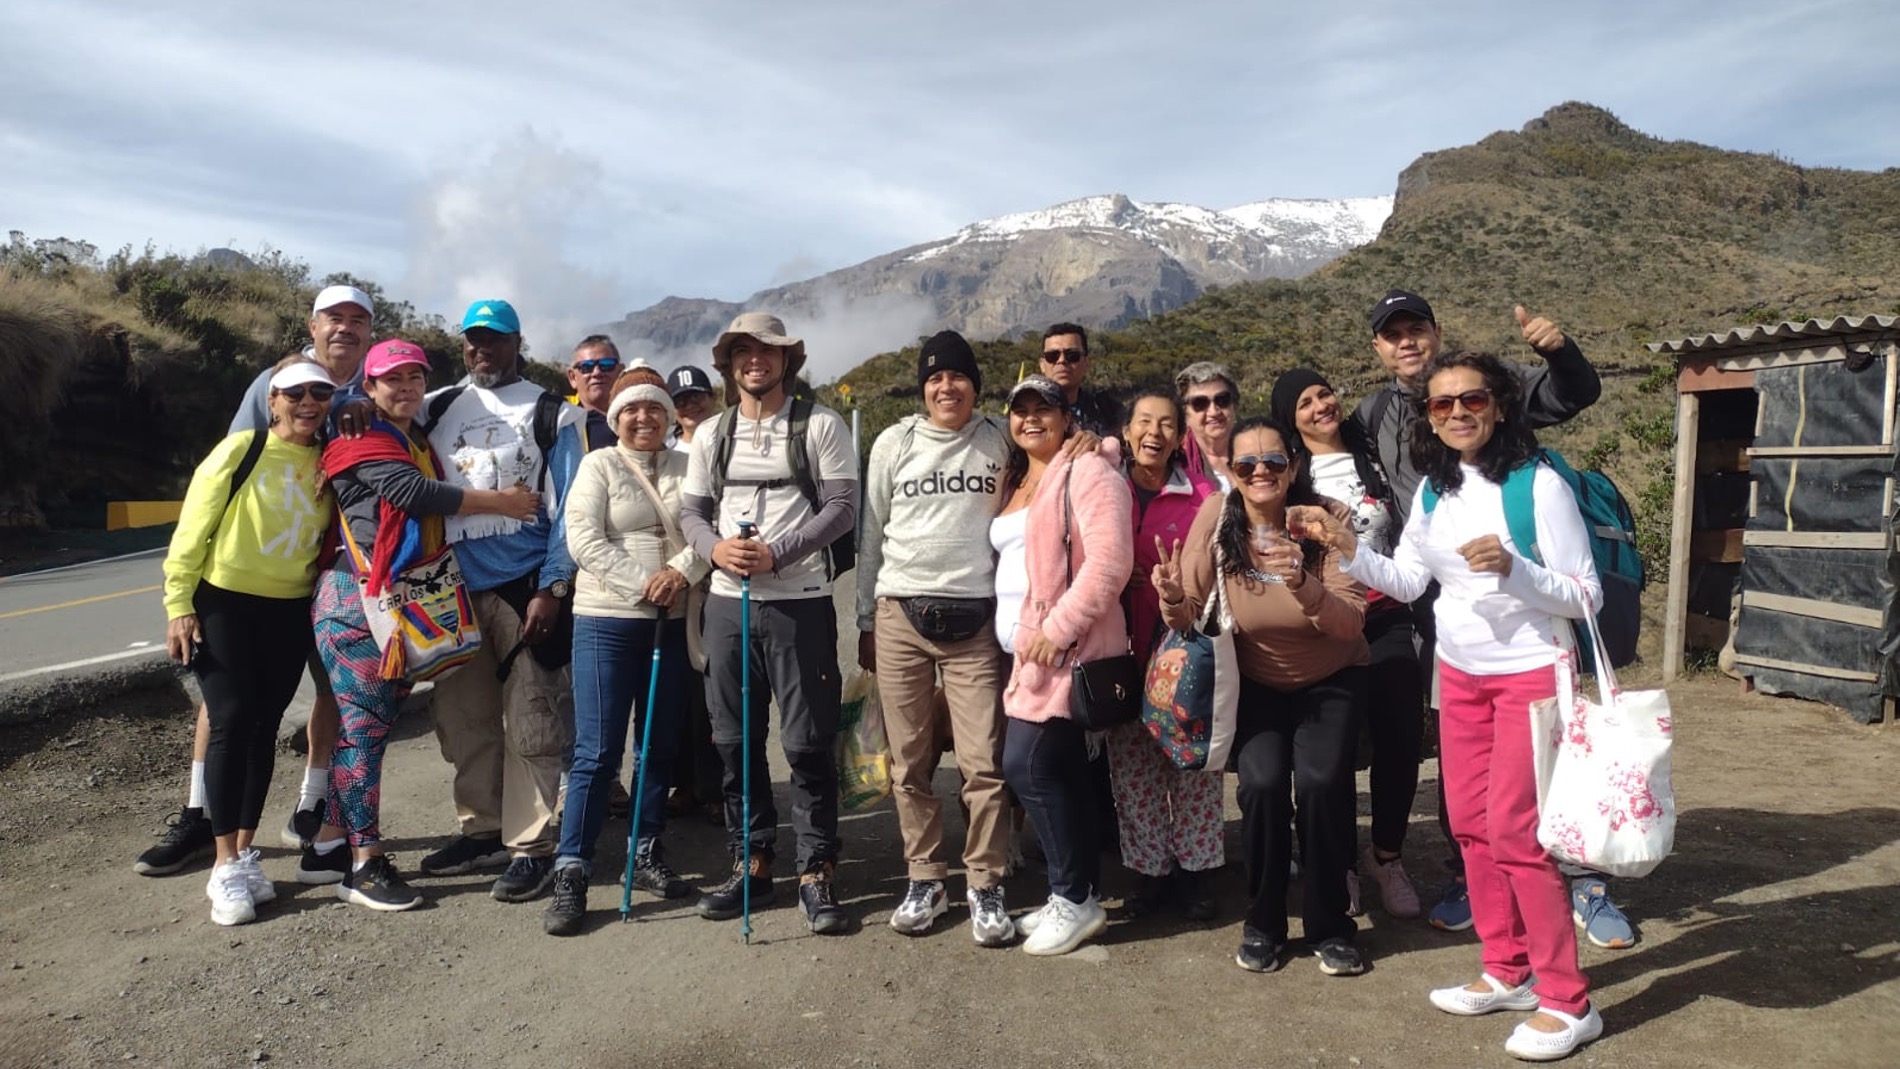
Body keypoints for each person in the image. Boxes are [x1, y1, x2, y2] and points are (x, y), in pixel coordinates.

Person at [1293, 350, 1605, 1060]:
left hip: (1530, 674)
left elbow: (1587, 595)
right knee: (1468, 824)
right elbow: (1405, 581)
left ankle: (1568, 999)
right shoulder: (1435, 491)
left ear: (1498, 404)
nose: (1458, 411)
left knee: (1519, 836)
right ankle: (1507, 968)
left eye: (1472, 398)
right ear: (1428, 416)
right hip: (1461, 677)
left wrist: (1516, 568)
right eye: (1442, 403)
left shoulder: (1539, 484)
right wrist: (1347, 549)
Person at [1355, 289, 1630, 948]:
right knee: (1468, 769)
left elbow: (1574, 394)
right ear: (1379, 348)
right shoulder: (1373, 415)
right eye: (1393, 334)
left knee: (1552, 761)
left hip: (1529, 616)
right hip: (1444, 613)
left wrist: (1559, 350)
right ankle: (1472, 877)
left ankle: (1585, 881)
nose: (1407, 342)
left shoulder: (1483, 390)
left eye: (1416, 328)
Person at [134, 285, 374, 877]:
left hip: (325, 586)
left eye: (357, 320)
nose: (344, 329)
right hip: (236, 591)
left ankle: (310, 803)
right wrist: (182, 599)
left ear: (371, 331)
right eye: (333, 318)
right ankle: (200, 817)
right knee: (229, 706)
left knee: (323, 697)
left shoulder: (378, 386)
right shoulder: (270, 387)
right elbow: (235, 472)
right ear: (313, 325)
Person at [305, 340, 541, 910]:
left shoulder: (407, 431)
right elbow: (412, 494)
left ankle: (328, 844)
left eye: (415, 377)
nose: (406, 387)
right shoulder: (362, 433)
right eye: (392, 379)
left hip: (393, 599)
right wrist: (501, 503)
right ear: (369, 387)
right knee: (362, 730)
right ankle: (363, 864)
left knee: (372, 725)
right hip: (360, 599)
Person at [1153, 416, 1370, 977]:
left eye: (1273, 461)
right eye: (1246, 464)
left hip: (1330, 676)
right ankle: (1264, 920)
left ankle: (1330, 926)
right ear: (1231, 470)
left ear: (1293, 467)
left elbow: (1350, 624)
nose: (1260, 472)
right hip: (1255, 682)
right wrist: (1172, 599)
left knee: (1322, 785)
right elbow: (1190, 612)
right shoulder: (1217, 518)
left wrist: (1302, 581)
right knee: (1264, 786)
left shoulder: (1326, 520)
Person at [680, 313, 858, 934]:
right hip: (728, 603)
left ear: (787, 360)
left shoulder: (821, 424)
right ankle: (750, 860)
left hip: (800, 602)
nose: (755, 360)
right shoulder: (712, 434)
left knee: (808, 743)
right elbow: (693, 511)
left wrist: (780, 552)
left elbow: (841, 507)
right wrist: (714, 551)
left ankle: (817, 870)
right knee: (734, 742)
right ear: (729, 364)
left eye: (767, 351)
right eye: (742, 352)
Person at [415, 299, 586, 905]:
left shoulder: (550, 414)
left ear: (518, 343)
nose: (481, 351)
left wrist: (553, 587)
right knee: (463, 720)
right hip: (452, 590)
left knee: (533, 720)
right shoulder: (434, 408)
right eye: (472, 341)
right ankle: (481, 827)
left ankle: (531, 845)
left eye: (494, 340)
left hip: (522, 588)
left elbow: (569, 509)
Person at [160, 356, 336, 924]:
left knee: (263, 727)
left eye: (320, 393)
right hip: (226, 602)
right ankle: (221, 865)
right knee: (231, 720)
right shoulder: (242, 450)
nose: (308, 403)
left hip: (291, 608)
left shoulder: (329, 461)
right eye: (295, 394)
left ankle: (243, 852)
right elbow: (192, 529)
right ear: (273, 400)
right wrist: (179, 604)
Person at [856, 330, 1016, 945]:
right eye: (934, 379)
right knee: (909, 761)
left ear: (975, 385)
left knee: (983, 763)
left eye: (957, 377)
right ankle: (925, 877)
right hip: (901, 612)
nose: (945, 387)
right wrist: (866, 623)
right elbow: (873, 533)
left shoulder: (999, 439)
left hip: (976, 616)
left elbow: (1052, 449)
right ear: (923, 388)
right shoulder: (894, 443)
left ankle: (986, 883)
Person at [544, 381, 707, 935]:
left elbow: (711, 528)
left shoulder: (691, 463)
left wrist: (681, 572)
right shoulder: (599, 466)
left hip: (676, 621)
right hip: (606, 621)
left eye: (654, 409)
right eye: (631, 409)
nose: (644, 418)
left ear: (667, 416)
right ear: (615, 418)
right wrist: (648, 583)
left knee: (659, 745)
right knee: (597, 751)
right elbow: (583, 539)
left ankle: (647, 849)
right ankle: (573, 867)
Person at [1272, 368, 1420, 921]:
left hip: (1387, 615)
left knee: (1400, 740)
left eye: (1324, 394)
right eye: (1304, 403)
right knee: (1330, 753)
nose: (1319, 407)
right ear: (1292, 420)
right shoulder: (1291, 476)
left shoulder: (1373, 457)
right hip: (1328, 623)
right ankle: (1340, 867)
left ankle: (1387, 857)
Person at [992, 375, 1133, 956]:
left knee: (1027, 765)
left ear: (1066, 416)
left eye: (1043, 408)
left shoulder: (1089, 471)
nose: (1030, 418)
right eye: (1019, 409)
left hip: (1063, 649)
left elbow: (1109, 563)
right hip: (1029, 651)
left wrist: (1056, 630)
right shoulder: (1020, 477)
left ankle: (1074, 899)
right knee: (1064, 774)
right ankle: (1074, 893)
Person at [1113, 388, 1223, 920]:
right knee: (1133, 771)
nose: (1153, 433)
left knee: (1192, 764)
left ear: (1181, 436)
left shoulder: (1202, 494)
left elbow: (1219, 564)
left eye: (1165, 424)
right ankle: (1149, 872)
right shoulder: (1106, 488)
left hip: (1183, 652)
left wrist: (1180, 582)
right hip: (1119, 650)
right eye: (1144, 422)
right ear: (1128, 432)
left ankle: (1200, 872)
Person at [662, 362, 723, 824]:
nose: (690, 405)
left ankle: (717, 783)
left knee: (717, 688)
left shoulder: (727, 441)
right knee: (680, 691)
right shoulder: (664, 453)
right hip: (677, 583)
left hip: (717, 577)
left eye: (697, 395)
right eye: (681, 399)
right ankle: (682, 782)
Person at [1039, 322, 1125, 439]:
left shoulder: (1109, 411)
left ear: (1086, 363)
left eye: (1072, 355)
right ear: (1042, 365)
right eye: (1052, 356)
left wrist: (1101, 445)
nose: (1062, 361)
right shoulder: (1025, 415)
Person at [1175, 361, 1239, 490]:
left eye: (1222, 400)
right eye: (1200, 403)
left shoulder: (1257, 454)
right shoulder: (1174, 465)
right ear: (1185, 413)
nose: (1214, 412)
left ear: (1234, 405)